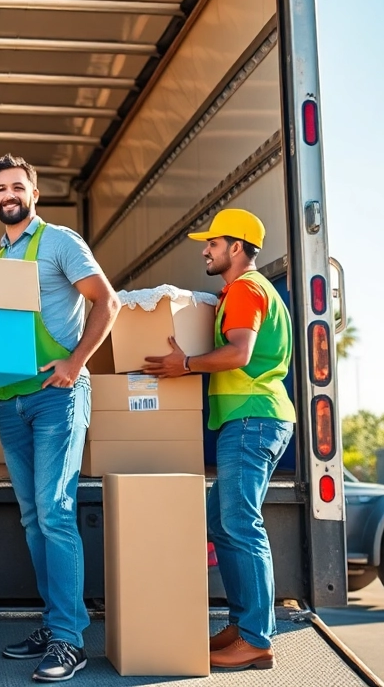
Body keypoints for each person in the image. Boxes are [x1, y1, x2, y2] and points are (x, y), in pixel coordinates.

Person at [142, 208, 295, 672]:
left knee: (241, 526)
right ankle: (243, 624)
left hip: (254, 420)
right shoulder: (243, 292)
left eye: (213, 242)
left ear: (237, 247)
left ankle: (255, 638)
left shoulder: (247, 289)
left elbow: (239, 353)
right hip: (250, 420)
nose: (205, 249)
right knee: (224, 524)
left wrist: (184, 365)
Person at [0, 155, 120, 683]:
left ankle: (69, 640)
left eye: (17, 186)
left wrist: (74, 363)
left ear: (34, 194)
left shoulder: (61, 241)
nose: (8, 195)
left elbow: (106, 302)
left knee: (56, 510)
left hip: (57, 396)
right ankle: (52, 624)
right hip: (11, 399)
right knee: (30, 515)